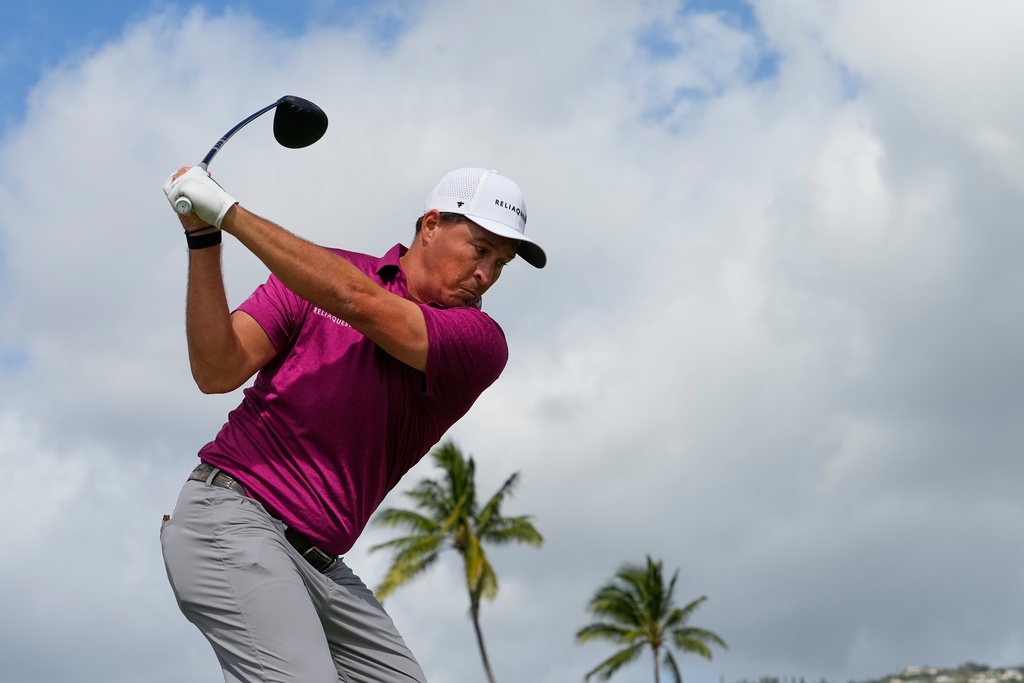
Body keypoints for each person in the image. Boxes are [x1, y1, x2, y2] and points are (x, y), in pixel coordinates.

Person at [160, 165, 546, 683]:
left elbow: (358, 303)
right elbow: (217, 370)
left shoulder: (479, 341)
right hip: (231, 516)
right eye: (480, 249)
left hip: (319, 565)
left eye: (501, 263)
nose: (487, 274)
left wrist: (228, 213)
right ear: (430, 224)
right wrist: (204, 241)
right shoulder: (320, 274)